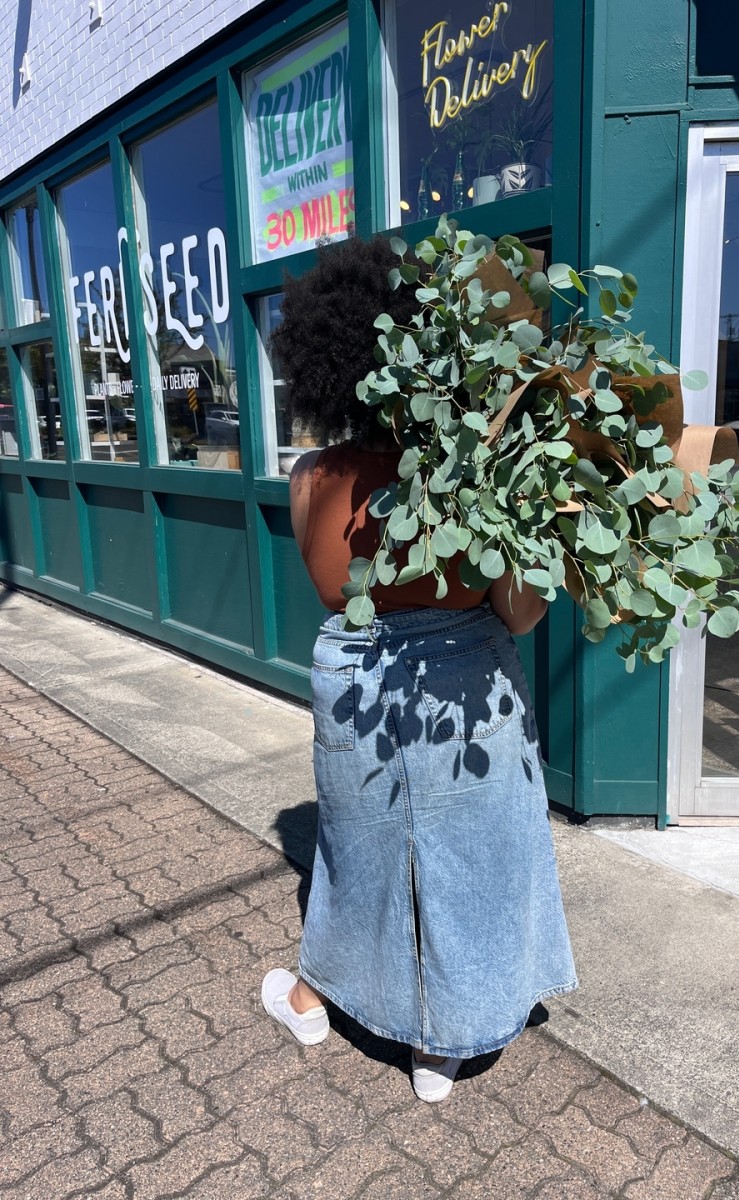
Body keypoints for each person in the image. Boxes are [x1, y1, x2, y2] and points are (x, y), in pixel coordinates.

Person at [261, 235, 576, 1103]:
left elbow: (335, 592)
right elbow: (517, 612)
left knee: (357, 851)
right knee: (474, 851)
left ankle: (311, 996)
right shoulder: (472, 484)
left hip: (353, 691)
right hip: (464, 694)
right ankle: (440, 1052)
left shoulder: (309, 479)